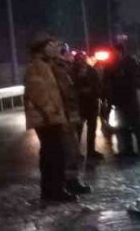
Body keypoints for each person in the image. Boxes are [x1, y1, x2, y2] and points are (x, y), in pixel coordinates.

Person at [24, 34, 76, 202]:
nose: (54, 48)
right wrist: (50, 112)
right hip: (46, 119)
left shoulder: (46, 65)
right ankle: (55, 191)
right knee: (54, 155)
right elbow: (37, 93)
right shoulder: (36, 67)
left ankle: (51, 191)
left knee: (51, 154)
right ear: (42, 48)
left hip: (49, 117)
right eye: (51, 46)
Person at [52, 44, 91, 195]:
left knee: (72, 149)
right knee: (69, 151)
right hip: (63, 115)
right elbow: (66, 92)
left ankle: (70, 182)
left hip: (68, 114)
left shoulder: (64, 68)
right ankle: (70, 183)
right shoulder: (57, 68)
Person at [106, 43, 140, 156]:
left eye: (115, 51)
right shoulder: (112, 64)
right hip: (120, 99)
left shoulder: (129, 62)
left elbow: (135, 78)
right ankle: (127, 149)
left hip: (131, 98)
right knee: (123, 126)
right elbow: (109, 80)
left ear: (120, 51)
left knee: (136, 124)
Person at [71, 51, 104, 162]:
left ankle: (91, 151)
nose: (81, 61)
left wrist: (94, 92)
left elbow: (98, 85)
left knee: (91, 129)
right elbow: (71, 87)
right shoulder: (72, 72)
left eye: (83, 58)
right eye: (79, 59)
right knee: (78, 130)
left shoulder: (91, 70)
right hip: (79, 105)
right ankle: (76, 153)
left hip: (91, 103)